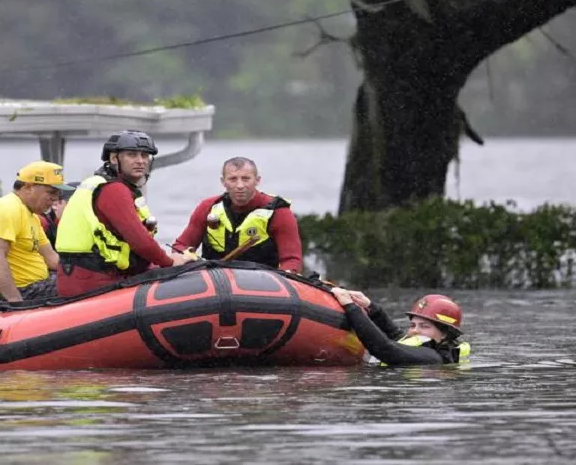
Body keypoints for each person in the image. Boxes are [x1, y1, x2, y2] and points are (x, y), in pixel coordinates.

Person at [55, 130, 191, 297]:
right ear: (114, 159)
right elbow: (140, 241)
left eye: (144, 155)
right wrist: (170, 261)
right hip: (92, 280)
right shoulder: (114, 190)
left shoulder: (103, 183)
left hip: (83, 275)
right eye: (132, 155)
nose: (140, 161)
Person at [171, 157, 303, 272]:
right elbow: (180, 246)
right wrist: (187, 258)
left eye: (246, 179)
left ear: (257, 180)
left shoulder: (278, 212)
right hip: (215, 280)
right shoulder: (208, 207)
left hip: (263, 282)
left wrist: (287, 275)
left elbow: (291, 260)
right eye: (233, 179)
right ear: (223, 182)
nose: (240, 185)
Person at [329, 288, 471, 366]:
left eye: (424, 326)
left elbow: (385, 348)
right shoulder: (428, 346)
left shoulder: (432, 358)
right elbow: (396, 335)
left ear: (445, 334)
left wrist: (351, 307)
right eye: (412, 325)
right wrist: (370, 307)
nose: (415, 330)